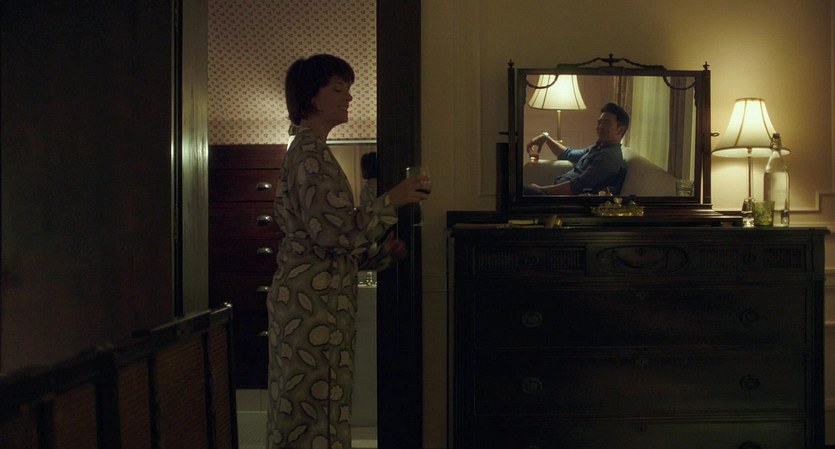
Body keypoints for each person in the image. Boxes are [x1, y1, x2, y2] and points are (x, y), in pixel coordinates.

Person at [266, 54, 430, 449]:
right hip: (312, 304)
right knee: (314, 410)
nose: (348, 97)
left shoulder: (313, 151)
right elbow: (334, 233)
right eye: (338, 89)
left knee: (312, 406)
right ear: (312, 97)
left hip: (318, 299)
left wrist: (382, 253)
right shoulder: (309, 153)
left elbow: (330, 242)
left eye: (348, 89)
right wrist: (392, 199)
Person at [525, 102, 629, 195]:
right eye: (599, 122)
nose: (600, 127)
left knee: (517, 190)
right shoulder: (598, 148)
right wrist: (546, 138)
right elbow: (567, 154)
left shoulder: (609, 157)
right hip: (554, 194)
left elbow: (577, 187)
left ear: (620, 130)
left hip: (562, 201)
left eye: (606, 123)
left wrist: (542, 190)